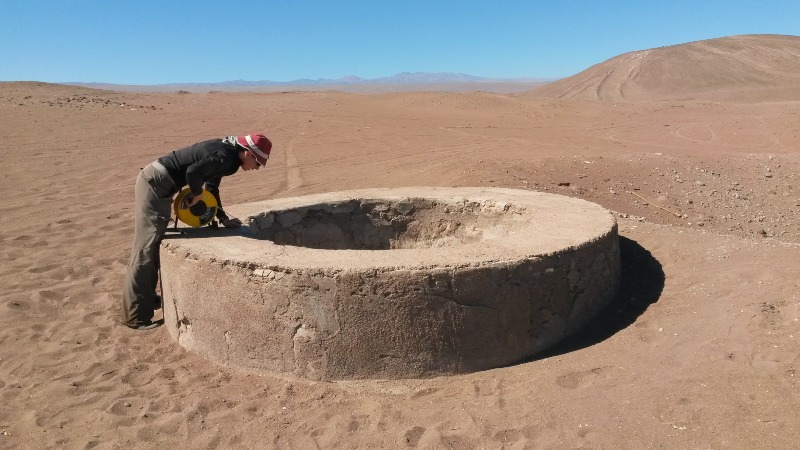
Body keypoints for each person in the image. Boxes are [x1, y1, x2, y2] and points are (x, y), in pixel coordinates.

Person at [121, 133, 272, 330]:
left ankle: (147, 299)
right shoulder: (226, 156)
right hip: (154, 184)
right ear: (247, 153)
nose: (256, 168)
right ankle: (135, 317)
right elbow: (193, 172)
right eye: (258, 163)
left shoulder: (229, 157)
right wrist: (196, 194)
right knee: (145, 248)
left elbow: (211, 187)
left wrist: (223, 218)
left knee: (152, 245)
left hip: (161, 185)